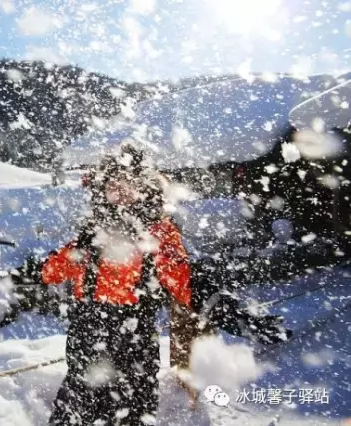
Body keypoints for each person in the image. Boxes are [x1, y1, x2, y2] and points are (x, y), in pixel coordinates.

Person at [40, 143, 291, 426]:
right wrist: (76, 251)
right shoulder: (94, 230)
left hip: (134, 340)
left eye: (129, 183)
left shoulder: (157, 232)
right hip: (88, 335)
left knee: (131, 413)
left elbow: (186, 284)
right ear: (103, 188)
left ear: (143, 186)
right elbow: (50, 274)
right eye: (113, 184)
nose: (120, 191)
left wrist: (239, 318)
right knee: (73, 413)